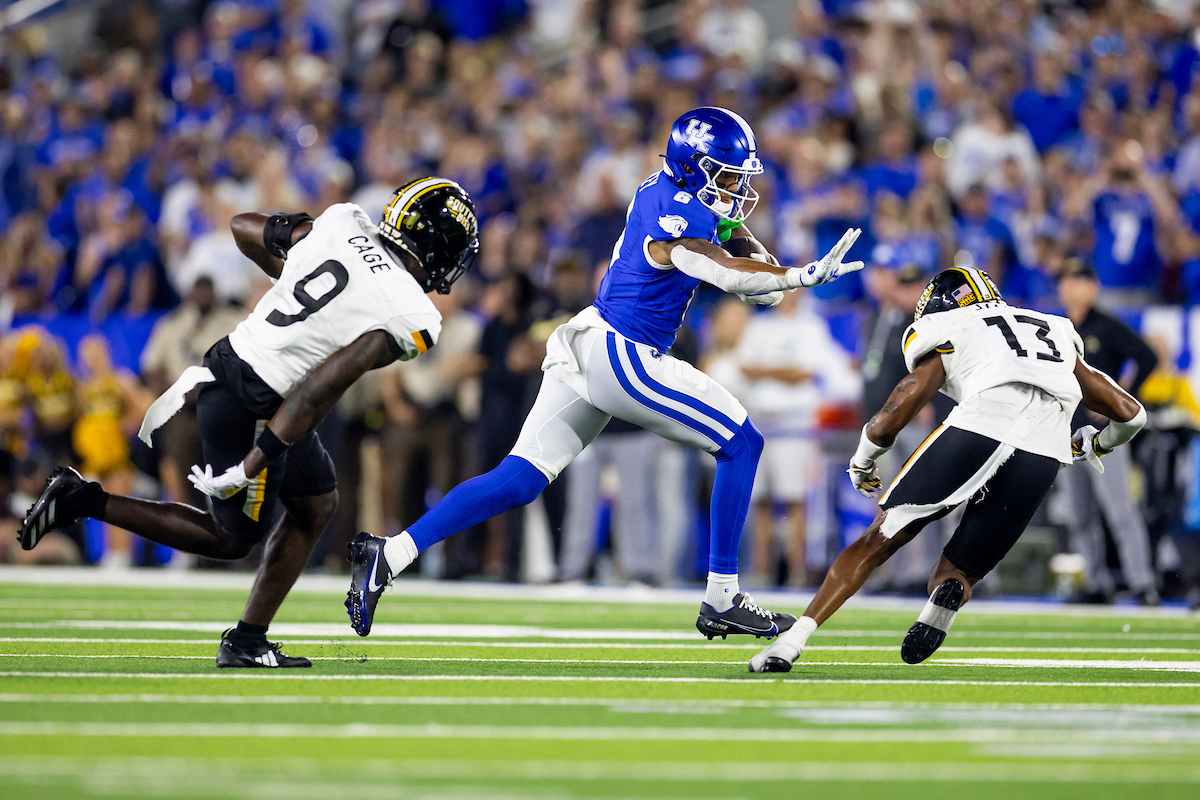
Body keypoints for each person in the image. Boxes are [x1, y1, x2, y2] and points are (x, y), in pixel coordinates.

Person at [346, 107, 864, 639]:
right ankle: (722, 596)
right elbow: (716, 267)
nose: (736, 186)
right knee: (742, 442)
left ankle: (389, 553)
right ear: (694, 168)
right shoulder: (678, 213)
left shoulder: (677, 191)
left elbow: (735, 245)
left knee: (520, 478)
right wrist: (797, 275)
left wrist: (776, 273)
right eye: (727, 174)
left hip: (592, 344)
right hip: (626, 353)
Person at [18, 176, 480, 668]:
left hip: (233, 362)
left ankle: (248, 638)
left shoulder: (344, 222)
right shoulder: (413, 313)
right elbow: (317, 389)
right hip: (265, 399)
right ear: (435, 246)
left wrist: (288, 272)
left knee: (316, 502)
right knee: (231, 538)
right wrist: (254, 462)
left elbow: (242, 227)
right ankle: (82, 499)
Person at [749, 266, 1147, 673]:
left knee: (878, 540)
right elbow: (1132, 414)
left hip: (980, 423)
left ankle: (790, 642)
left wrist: (864, 456)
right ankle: (946, 598)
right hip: (1043, 449)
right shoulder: (1053, 327)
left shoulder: (951, 325)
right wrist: (1096, 443)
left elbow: (906, 395)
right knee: (956, 571)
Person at [1056, 258, 1159, 604]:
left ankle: (1143, 583)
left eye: (1079, 279)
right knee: (1080, 514)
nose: (1072, 287)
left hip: (1106, 437)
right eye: (1067, 281)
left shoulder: (1107, 326)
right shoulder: (1057, 329)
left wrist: (1122, 402)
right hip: (1065, 433)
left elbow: (1147, 357)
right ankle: (1097, 583)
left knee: (1120, 510)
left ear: (1093, 287)